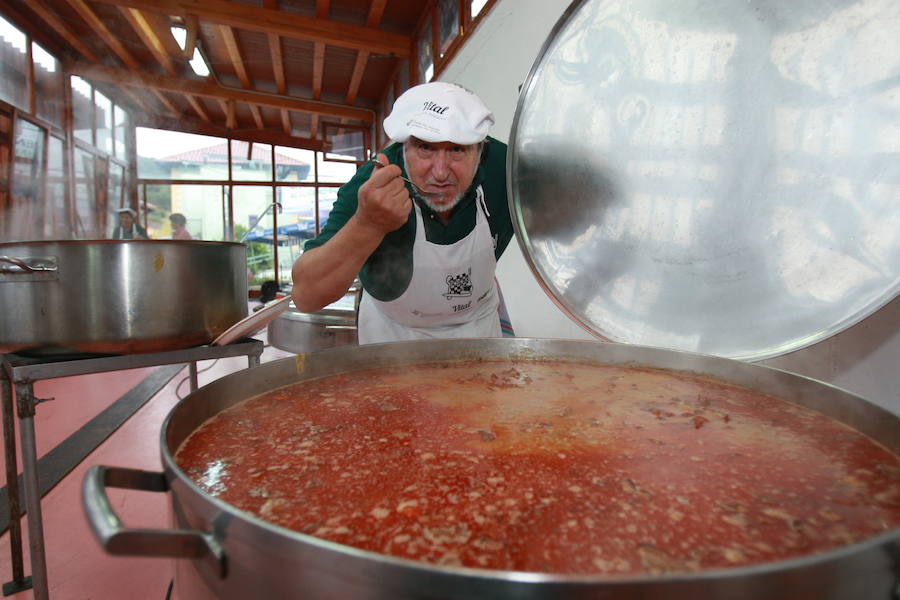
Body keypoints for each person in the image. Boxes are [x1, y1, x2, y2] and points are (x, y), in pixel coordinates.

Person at [292, 82, 515, 344]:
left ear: (481, 148)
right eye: (425, 148)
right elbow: (307, 296)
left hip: (476, 325)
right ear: (403, 147)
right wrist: (368, 224)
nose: (441, 172)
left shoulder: (510, 168)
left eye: (457, 149)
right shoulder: (373, 183)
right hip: (393, 333)